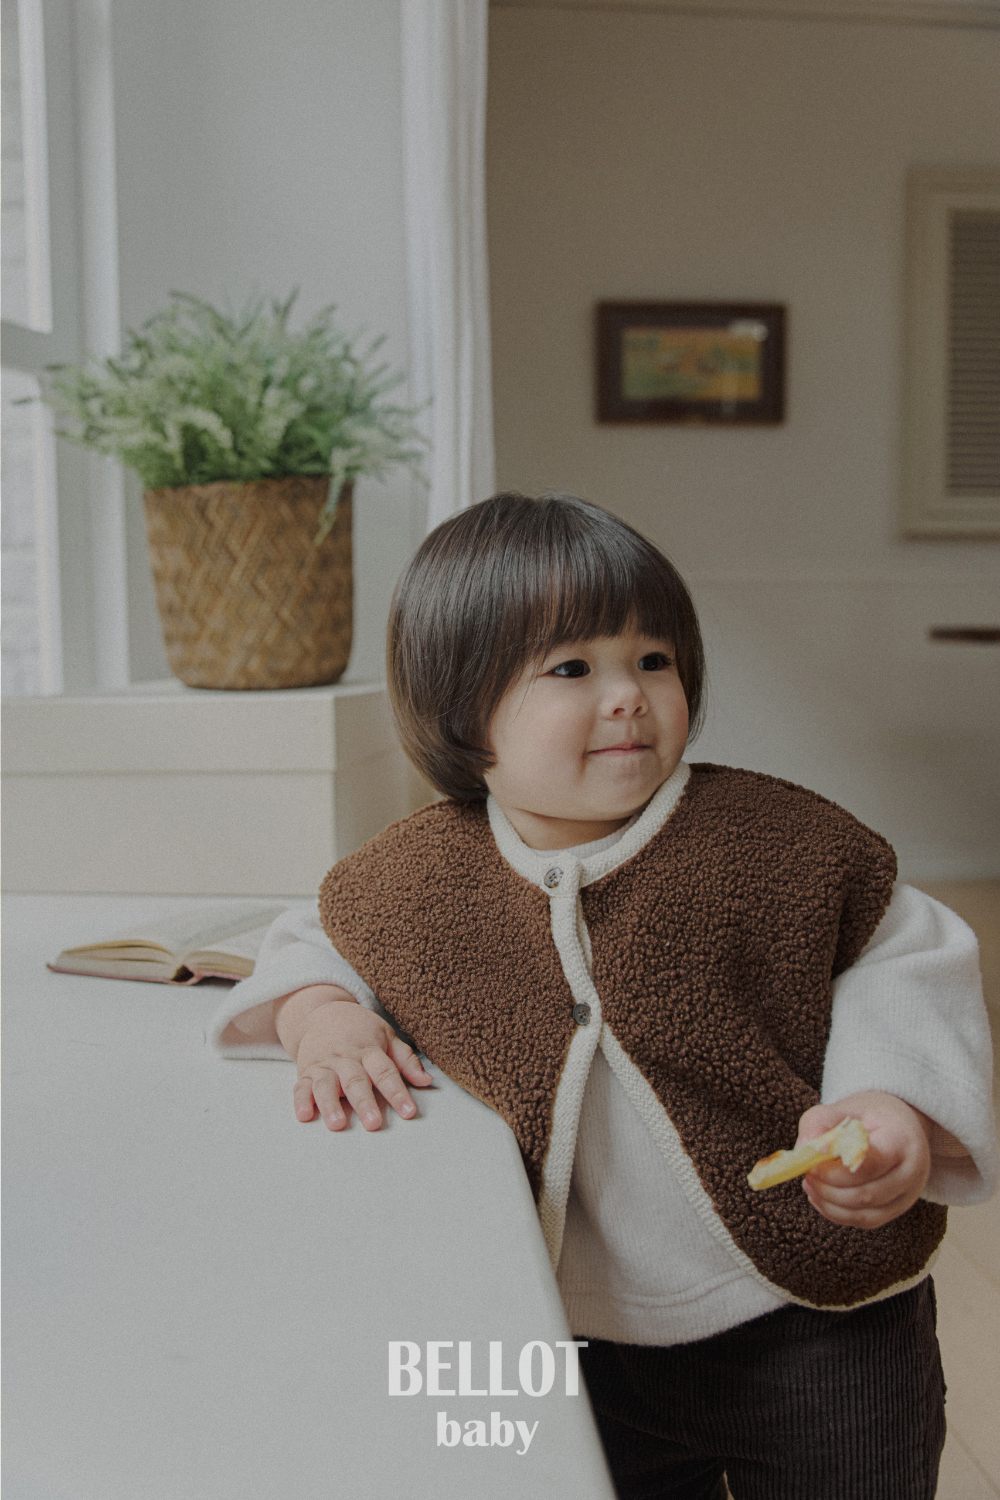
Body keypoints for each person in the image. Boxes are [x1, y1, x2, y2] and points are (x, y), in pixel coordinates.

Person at [211, 492, 997, 1499]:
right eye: (573, 669)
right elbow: (314, 936)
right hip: (565, 1329)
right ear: (461, 709)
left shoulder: (783, 846)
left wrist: (891, 1105)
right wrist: (324, 1015)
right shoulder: (413, 876)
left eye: (653, 660)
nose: (628, 695)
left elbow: (902, 952)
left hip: (811, 1318)